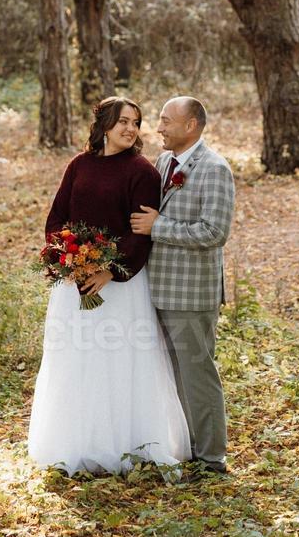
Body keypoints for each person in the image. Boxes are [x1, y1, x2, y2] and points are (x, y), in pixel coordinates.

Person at [28, 96, 191, 477]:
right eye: (123, 121)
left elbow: (140, 235)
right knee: (77, 360)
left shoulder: (141, 172)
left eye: (136, 122)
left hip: (122, 286)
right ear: (103, 124)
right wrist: (69, 259)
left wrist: (109, 272)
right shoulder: (78, 165)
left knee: (117, 361)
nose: (131, 129)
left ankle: (124, 444)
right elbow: (57, 218)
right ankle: (78, 441)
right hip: (75, 285)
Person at [131, 96, 235, 477]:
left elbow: (214, 232)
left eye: (165, 120)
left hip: (191, 294)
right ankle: (188, 448)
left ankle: (212, 459)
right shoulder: (163, 163)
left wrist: (158, 227)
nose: (158, 127)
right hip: (159, 289)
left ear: (190, 125)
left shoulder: (214, 168)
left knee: (197, 374)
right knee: (174, 375)